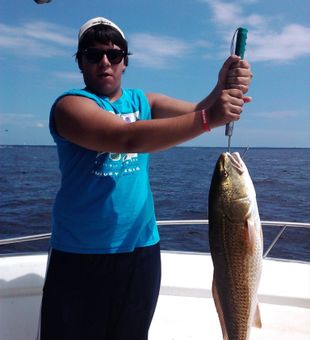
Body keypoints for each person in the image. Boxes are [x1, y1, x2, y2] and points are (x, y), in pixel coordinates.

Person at [37, 17, 253, 340]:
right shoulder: (69, 107)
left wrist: (222, 85)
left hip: (141, 254)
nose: (105, 62)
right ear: (80, 62)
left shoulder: (144, 102)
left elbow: (197, 110)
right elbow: (127, 138)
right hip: (80, 257)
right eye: (94, 55)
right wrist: (210, 117)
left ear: (126, 61)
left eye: (114, 54)